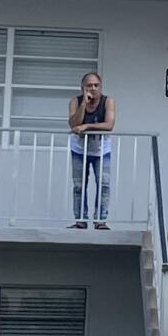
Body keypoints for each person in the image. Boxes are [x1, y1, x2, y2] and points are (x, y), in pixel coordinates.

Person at [68, 72, 117, 229]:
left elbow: (109, 125)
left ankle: (100, 221)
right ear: (83, 87)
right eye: (89, 85)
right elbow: (73, 124)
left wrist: (87, 126)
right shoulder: (75, 102)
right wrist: (84, 104)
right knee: (79, 185)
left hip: (101, 151)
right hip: (79, 150)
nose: (93, 88)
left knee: (103, 184)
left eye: (96, 85)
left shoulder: (108, 101)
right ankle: (81, 220)